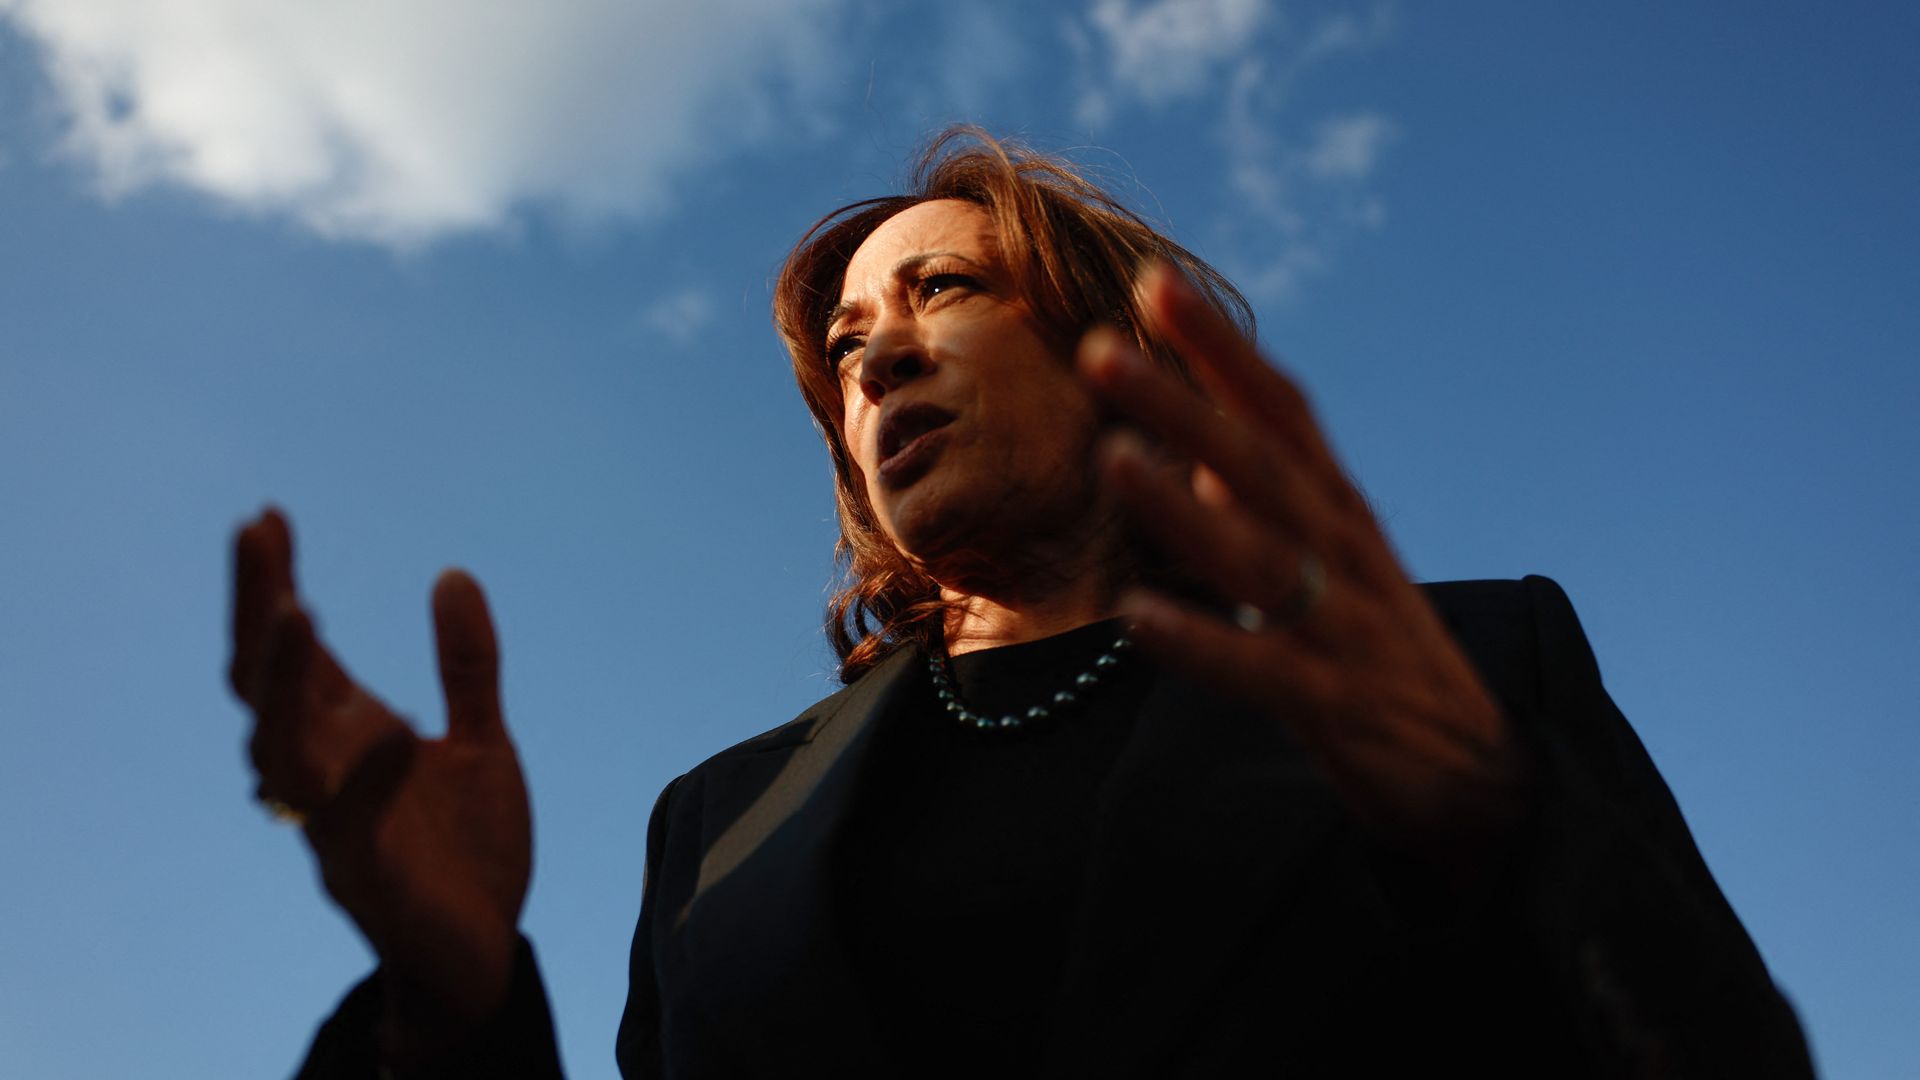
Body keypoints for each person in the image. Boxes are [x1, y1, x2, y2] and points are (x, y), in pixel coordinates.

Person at [231, 129, 1815, 1078]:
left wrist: (1507, 825)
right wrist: (456, 1015)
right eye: (847, 345)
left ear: (1099, 343)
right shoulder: (712, 825)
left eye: (948, 292)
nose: (881, 357)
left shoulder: (1456, 663)